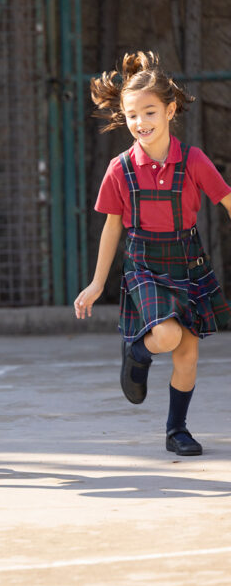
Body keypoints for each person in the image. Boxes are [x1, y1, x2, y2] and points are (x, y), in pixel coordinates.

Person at [74, 51, 231, 457]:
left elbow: (227, 199)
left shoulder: (193, 160)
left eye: (149, 112)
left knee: (188, 354)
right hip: (144, 264)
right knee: (165, 335)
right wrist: (96, 283)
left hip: (189, 262)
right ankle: (138, 352)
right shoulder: (119, 169)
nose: (140, 123)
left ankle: (176, 429)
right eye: (131, 115)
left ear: (170, 109)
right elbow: (111, 226)